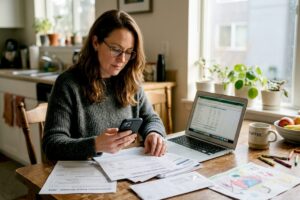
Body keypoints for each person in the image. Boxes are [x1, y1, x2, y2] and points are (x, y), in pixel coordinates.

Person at [42, 10, 167, 160]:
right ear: (96, 43)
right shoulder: (68, 84)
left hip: (123, 169)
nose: (122, 59)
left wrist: (154, 133)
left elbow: (151, 119)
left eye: (128, 52)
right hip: (83, 174)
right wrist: (95, 145)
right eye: (115, 49)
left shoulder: (130, 80)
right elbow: (51, 145)